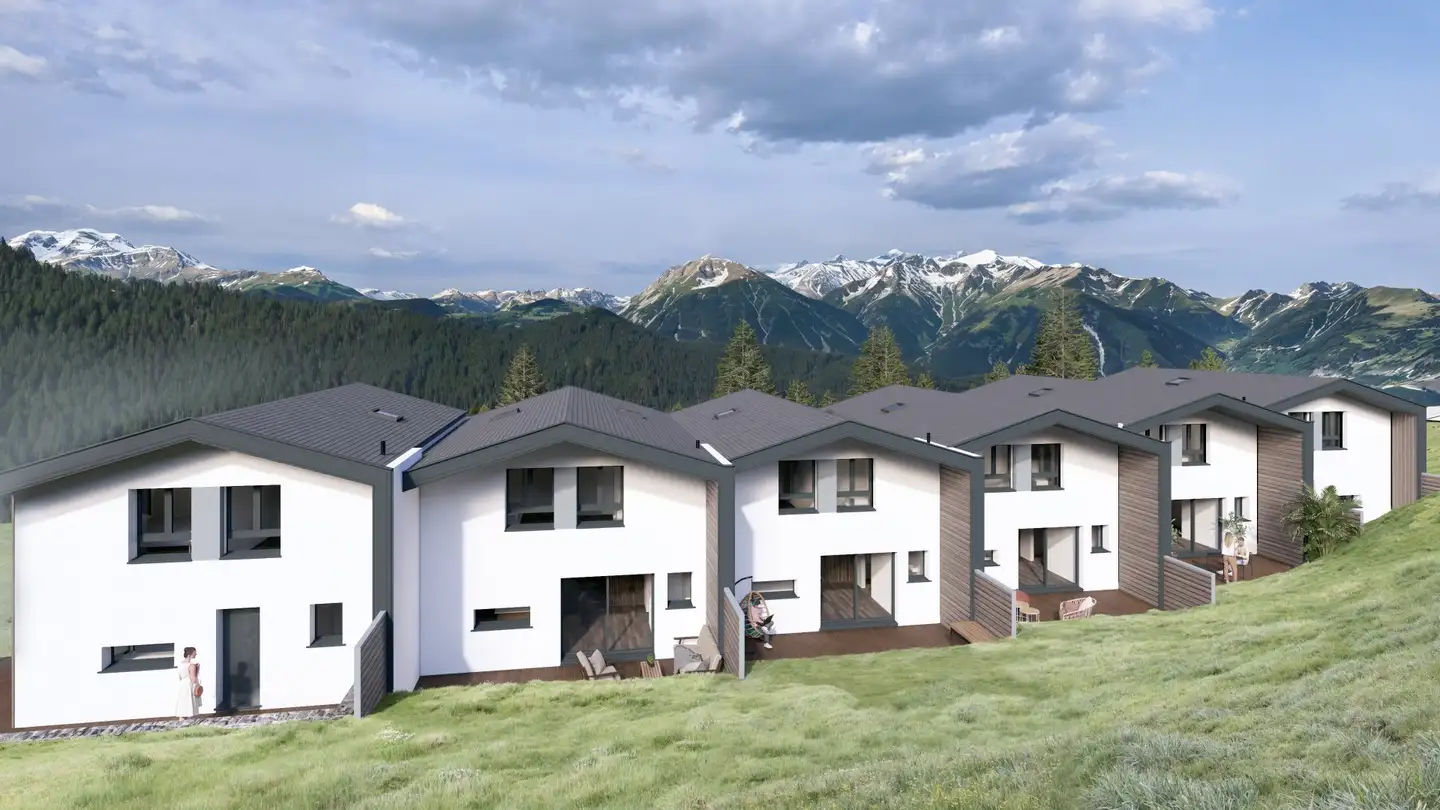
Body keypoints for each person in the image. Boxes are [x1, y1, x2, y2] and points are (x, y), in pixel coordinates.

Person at [175, 646, 201, 720]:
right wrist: (197, 670)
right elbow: (193, 679)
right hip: (189, 685)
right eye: (194, 653)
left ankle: (181, 721)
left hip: (182, 685)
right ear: (190, 654)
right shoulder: (191, 665)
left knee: (183, 703)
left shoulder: (180, 664)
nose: (196, 654)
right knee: (190, 703)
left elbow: (180, 676)